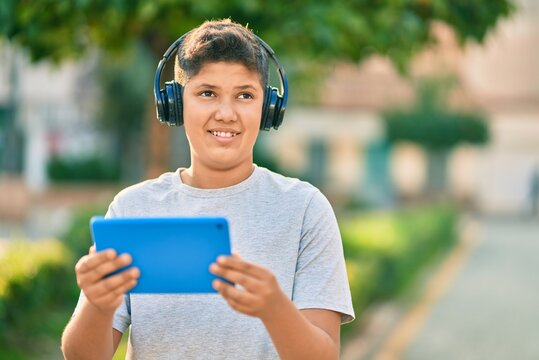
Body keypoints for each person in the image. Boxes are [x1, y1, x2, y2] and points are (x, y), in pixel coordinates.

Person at [61, 19, 354, 360]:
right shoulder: (133, 208)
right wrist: (97, 304)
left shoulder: (305, 209)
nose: (226, 113)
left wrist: (274, 308)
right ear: (174, 102)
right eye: (207, 93)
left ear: (268, 108)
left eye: (245, 95)